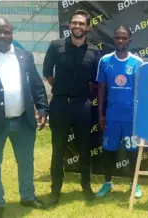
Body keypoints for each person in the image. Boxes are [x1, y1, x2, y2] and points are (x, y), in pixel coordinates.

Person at [0, 17, 49, 217]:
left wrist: (42, 108)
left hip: (23, 121)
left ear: (12, 33)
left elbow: (36, 85)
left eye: (7, 32)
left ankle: (28, 196)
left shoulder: (24, 55)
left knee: (26, 161)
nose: (3, 36)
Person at [43, 9, 99, 204]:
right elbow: (48, 73)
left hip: (82, 106)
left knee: (84, 148)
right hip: (59, 105)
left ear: (88, 27)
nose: (77, 26)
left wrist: (79, 94)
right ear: (69, 25)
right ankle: (55, 190)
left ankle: (86, 186)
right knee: (58, 149)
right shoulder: (55, 46)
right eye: (74, 22)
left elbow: (95, 81)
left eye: (81, 23)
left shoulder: (93, 52)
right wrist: (62, 88)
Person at [96, 25, 144, 198]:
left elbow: (142, 90)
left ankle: (134, 183)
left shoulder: (138, 62)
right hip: (112, 116)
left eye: (124, 37)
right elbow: (101, 89)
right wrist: (101, 114)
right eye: (117, 37)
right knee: (108, 151)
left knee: (132, 152)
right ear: (113, 39)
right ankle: (107, 182)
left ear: (130, 40)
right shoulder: (105, 61)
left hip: (131, 117)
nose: (120, 40)